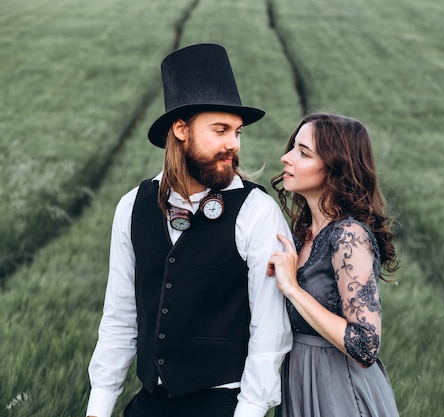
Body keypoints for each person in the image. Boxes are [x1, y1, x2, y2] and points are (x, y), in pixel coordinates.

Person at [86, 43, 292, 417]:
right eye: (220, 130)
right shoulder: (132, 206)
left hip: (224, 405)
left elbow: (270, 335)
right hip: (149, 402)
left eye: (238, 131)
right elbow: (119, 317)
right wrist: (98, 409)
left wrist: (247, 412)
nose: (233, 144)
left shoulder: (258, 212)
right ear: (181, 130)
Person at [267, 113, 400, 417]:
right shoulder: (302, 234)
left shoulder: (348, 236)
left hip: (340, 392)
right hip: (298, 384)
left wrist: (292, 289)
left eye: (303, 153)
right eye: (292, 148)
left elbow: (366, 346)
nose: (285, 158)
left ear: (334, 169)